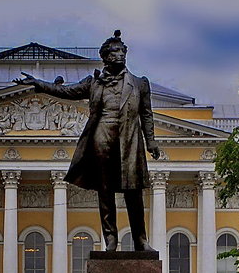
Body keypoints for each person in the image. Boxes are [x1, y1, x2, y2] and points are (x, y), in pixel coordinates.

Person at [15, 30, 161, 252]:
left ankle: (141, 240)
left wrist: (151, 142)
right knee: (105, 191)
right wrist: (39, 84)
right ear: (105, 57)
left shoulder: (140, 84)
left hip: (130, 141)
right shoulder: (94, 83)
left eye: (122, 51)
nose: (120, 55)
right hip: (102, 139)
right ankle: (110, 239)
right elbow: (66, 91)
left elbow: (146, 114)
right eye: (114, 52)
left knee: (134, 192)